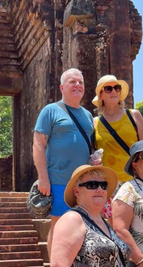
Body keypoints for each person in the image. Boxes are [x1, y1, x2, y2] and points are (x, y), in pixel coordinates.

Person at [50, 165, 133, 267]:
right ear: (77, 191)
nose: (99, 189)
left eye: (103, 185)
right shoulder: (73, 219)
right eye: (92, 185)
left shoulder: (104, 223)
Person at [32, 68, 94, 255]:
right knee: (59, 226)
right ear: (62, 87)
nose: (77, 85)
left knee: (82, 227)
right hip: (58, 179)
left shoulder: (88, 115)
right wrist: (43, 178)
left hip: (83, 181)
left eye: (80, 82)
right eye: (72, 82)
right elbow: (38, 144)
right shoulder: (51, 111)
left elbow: (88, 147)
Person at [92, 75, 143, 224]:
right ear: (101, 95)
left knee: (138, 224)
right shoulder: (95, 123)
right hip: (109, 183)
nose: (114, 92)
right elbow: (92, 151)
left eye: (117, 88)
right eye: (108, 88)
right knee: (114, 227)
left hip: (134, 180)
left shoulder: (133, 116)